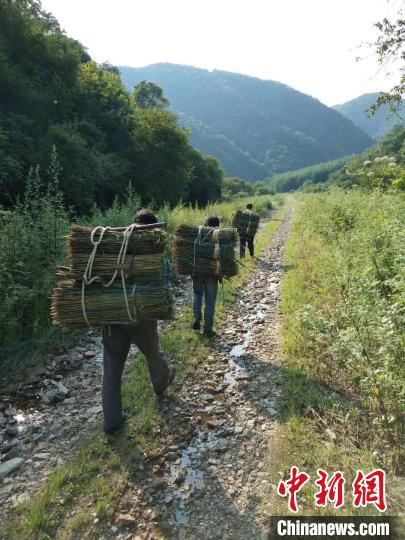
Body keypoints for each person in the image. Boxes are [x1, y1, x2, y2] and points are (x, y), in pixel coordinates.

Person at [102, 209, 175, 435]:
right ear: (153, 229)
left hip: (112, 315)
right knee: (153, 353)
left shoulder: (113, 247)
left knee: (112, 368)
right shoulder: (153, 252)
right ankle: (162, 383)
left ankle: (112, 421)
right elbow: (167, 278)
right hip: (140, 314)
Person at [192, 216, 221, 338]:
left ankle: (197, 318)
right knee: (210, 301)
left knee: (197, 294)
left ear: (206, 223)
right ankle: (208, 329)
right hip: (211, 273)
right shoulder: (219, 235)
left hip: (197, 271)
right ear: (218, 225)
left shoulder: (197, 234)